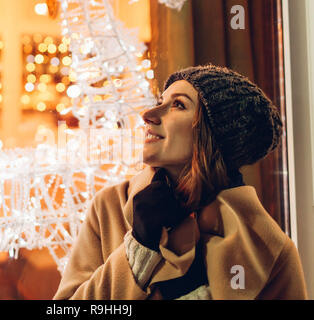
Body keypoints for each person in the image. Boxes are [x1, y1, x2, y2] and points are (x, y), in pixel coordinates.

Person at [53, 64, 308, 300]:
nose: (148, 114)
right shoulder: (109, 207)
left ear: (213, 135)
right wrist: (139, 248)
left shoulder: (268, 248)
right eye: (160, 101)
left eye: (178, 105)